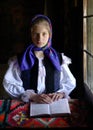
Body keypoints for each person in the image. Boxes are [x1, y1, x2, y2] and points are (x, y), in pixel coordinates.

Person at [3, 14, 76, 103]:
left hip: (54, 103)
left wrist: (61, 93)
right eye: (35, 34)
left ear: (50, 34)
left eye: (44, 34)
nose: (39, 38)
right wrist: (32, 96)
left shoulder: (59, 58)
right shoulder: (21, 60)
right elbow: (9, 83)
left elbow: (70, 81)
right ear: (31, 34)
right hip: (29, 103)